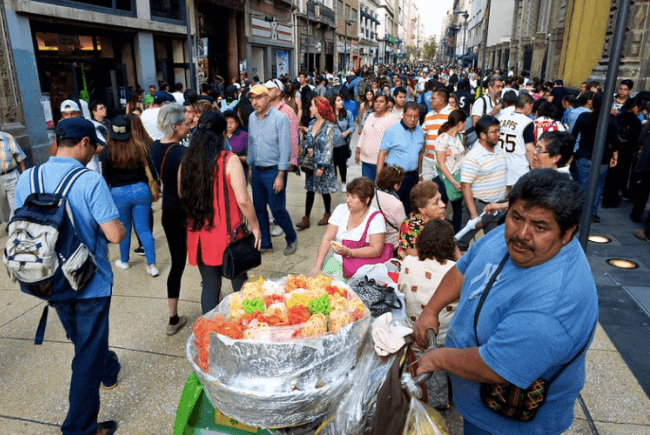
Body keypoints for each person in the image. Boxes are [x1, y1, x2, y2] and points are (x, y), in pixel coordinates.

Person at [413, 169, 598, 435]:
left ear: (567, 233)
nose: (522, 234)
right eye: (517, 217)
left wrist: (438, 358)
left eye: (540, 226)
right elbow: (464, 267)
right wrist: (431, 309)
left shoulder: (551, 308)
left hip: (507, 423)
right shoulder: (507, 235)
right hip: (475, 400)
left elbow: (494, 366)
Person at [16, 118, 126, 435]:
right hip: (89, 282)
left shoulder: (28, 177)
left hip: (47, 279)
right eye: (92, 146)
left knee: (85, 341)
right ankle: (79, 429)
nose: (93, 153)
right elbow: (115, 235)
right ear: (83, 144)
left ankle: (108, 367)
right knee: (86, 356)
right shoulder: (89, 181)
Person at [179, 112, 261, 314]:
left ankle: (209, 332)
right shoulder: (229, 160)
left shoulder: (187, 161)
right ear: (222, 135)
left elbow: (182, 194)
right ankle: (247, 323)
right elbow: (243, 199)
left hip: (199, 233)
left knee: (210, 286)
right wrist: (256, 226)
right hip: (227, 234)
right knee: (239, 282)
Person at [98, 115, 159, 276]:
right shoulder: (140, 147)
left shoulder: (107, 152)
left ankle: (124, 261)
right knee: (144, 229)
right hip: (141, 190)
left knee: (124, 227)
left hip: (118, 193)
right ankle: (152, 266)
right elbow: (151, 170)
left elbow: (105, 177)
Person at [150, 103, 191, 335]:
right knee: (204, 260)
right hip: (184, 213)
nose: (188, 126)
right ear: (175, 127)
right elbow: (184, 190)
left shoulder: (154, 147)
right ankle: (214, 300)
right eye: (185, 124)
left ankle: (173, 317)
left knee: (177, 263)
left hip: (167, 212)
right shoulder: (182, 153)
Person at [246, 85, 298, 255]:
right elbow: (251, 144)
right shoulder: (252, 118)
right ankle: (265, 243)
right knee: (259, 208)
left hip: (274, 171)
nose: (255, 102)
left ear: (268, 98)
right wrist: (249, 166)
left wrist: (281, 175)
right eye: (252, 98)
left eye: (259, 97)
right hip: (257, 170)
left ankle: (291, 237)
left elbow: (285, 148)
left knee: (277, 208)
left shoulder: (280, 118)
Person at [309, 177, 387, 280]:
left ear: (366, 200)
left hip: (363, 268)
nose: (348, 200)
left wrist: (350, 252)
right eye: (347, 195)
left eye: (353, 197)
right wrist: (317, 266)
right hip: (337, 262)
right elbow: (327, 239)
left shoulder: (376, 218)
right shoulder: (341, 209)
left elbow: (376, 249)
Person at [458, 116, 507, 251]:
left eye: (498, 131)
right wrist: (474, 216)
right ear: (483, 135)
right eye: (494, 132)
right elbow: (465, 186)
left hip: (496, 207)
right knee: (461, 241)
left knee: (495, 244)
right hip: (479, 207)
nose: (498, 135)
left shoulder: (499, 151)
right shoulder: (473, 157)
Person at [571, 93, 618, 223]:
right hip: (603, 158)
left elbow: (573, 135)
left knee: (582, 185)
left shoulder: (584, 117)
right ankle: (592, 212)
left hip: (584, 156)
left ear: (593, 103)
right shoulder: (611, 119)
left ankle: (580, 212)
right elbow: (614, 141)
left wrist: (571, 153)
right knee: (598, 185)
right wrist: (614, 155)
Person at [295, 97, 340, 230]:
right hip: (311, 164)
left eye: (312, 106)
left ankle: (327, 213)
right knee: (310, 190)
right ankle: (306, 218)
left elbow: (328, 148)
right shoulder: (310, 124)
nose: (310, 108)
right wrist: (308, 148)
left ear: (319, 108)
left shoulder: (329, 126)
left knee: (324, 190)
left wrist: (322, 167)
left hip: (323, 164)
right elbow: (309, 141)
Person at [377, 102, 424, 214]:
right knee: (393, 209)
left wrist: (420, 175)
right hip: (395, 177)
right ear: (403, 115)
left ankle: (407, 230)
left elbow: (420, 154)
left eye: (416, 116)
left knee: (411, 208)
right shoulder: (392, 131)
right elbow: (382, 154)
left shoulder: (420, 131)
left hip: (412, 177)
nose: (413, 119)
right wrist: (378, 177)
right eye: (409, 116)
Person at [603, 97, 643, 208]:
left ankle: (607, 200)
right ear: (635, 107)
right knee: (621, 177)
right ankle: (614, 199)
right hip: (627, 153)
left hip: (615, 150)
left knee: (611, 176)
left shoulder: (618, 118)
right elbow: (636, 141)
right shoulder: (636, 122)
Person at [434, 109, 468, 233]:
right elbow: (441, 164)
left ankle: (456, 237)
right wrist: (454, 182)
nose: (465, 126)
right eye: (464, 123)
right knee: (439, 210)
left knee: (458, 210)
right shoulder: (442, 139)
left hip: (458, 177)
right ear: (460, 123)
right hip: (445, 180)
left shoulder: (459, 136)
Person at [355, 91, 400, 183]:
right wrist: (358, 150)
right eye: (376, 101)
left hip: (382, 162)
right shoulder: (370, 116)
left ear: (387, 103)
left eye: (381, 101)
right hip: (366, 161)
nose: (378, 104)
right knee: (368, 189)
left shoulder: (393, 118)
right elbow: (364, 134)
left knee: (380, 189)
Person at [398, 181, 447, 259]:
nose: (443, 205)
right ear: (422, 209)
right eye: (436, 202)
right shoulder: (409, 228)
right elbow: (417, 260)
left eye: (441, 200)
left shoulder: (438, 221)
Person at [499, 93, 536, 188]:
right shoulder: (527, 122)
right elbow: (529, 148)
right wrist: (533, 167)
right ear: (527, 104)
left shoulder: (501, 118)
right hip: (518, 169)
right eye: (532, 106)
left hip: (500, 167)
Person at [422, 89, 453, 184]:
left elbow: (460, 139)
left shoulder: (453, 114)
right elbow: (423, 137)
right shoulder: (428, 115)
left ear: (442, 100)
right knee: (427, 191)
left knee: (443, 192)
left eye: (433, 98)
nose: (430, 100)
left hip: (445, 163)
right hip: (428, 160)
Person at [371, 165, 406, 248]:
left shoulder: (371, 195)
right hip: (391, 245)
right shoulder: (396, 204)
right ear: (396, 186)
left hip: (372, 241)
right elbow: (403, 228)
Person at [330, 93, 355, 192]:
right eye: (338, 100)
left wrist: (347, 132)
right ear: (333, 103)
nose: (341, 102)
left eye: (341, 100)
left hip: (342, 144)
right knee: (332, 165)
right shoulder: (329, 115)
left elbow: (352, 126)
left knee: (342, 165)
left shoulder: (347, 113)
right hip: (331, 145)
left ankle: (344, 182)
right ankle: (334, 182)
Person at [0, 131, 26, 226]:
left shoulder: (7, 137)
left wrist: (23, 173)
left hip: (11, 175)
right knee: (2, 206)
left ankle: (15, 224)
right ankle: (7, 224)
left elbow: (19, 156)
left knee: (15, 202)